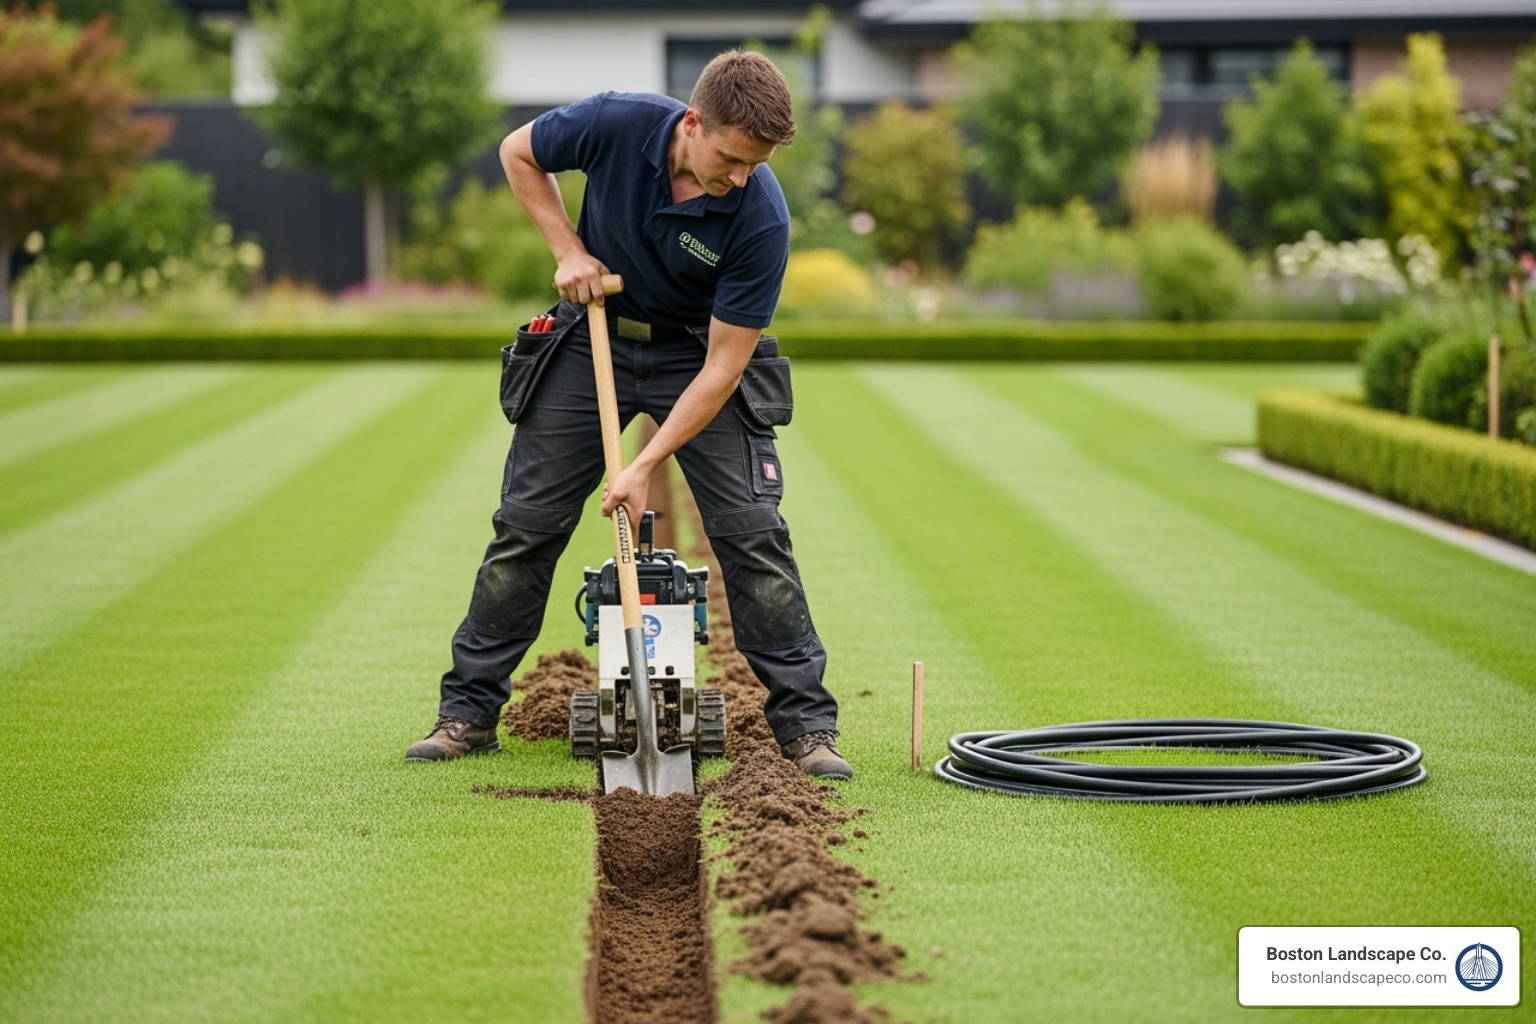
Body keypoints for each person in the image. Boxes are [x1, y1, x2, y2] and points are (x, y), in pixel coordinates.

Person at [405, 51, 851, 780]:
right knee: (526, 523)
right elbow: (517, 152)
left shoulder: (760, 213)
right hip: (592, 338)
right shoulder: (615, 123)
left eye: (756, 165)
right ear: (693, 121)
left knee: (752, 530)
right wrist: (568, 249)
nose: (741, 177)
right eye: (733, 158)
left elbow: (724, 368)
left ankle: (806, 726)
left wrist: (645, 465)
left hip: (693, 353)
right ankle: (468, 714)